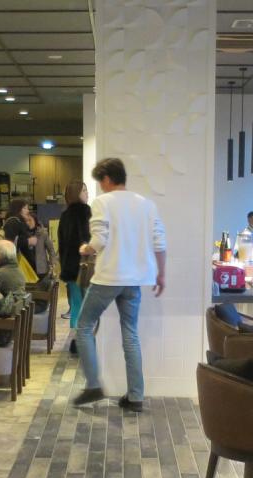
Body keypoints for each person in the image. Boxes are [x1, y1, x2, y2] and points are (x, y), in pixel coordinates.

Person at [73, 158, 166, 413]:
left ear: (106, 178)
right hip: (134, 281)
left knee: (84, 326)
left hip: (109, 277)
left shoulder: (102, 202)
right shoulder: (146, 204)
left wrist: (85, 249)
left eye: (100, 181)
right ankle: (136, 396)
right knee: (130, 333)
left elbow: (99, 240)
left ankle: (93, 385)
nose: (100, 187)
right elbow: (160, 242)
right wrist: (161, 275)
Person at [58, 181, 91, 334]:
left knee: (76, 303)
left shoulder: (64, 215)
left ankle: (75, 337)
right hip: (84, 266)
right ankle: (83, 338)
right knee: (87, 305)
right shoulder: (85, 211)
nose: (87, 193)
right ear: (76, 194)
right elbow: (87, 239)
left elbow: (62, 244)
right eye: (84, 190)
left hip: (69, 267)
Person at [2, 199, 37, 271]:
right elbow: (10, 243)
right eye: (25, 208)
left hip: (20, 264)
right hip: (17, 265)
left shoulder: (19, 222)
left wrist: (31, 229)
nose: (28, 211)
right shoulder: (13, 222)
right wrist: (28, 241)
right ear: (17, 209)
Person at [26, 211, 55, 280]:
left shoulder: (42, 233)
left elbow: (51, 249)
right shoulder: (23, 234)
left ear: (35, 221)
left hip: (41, 268)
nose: (28, 222)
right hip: (27, 268)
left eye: (30, 220)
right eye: (26, 221)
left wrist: (52, 264)